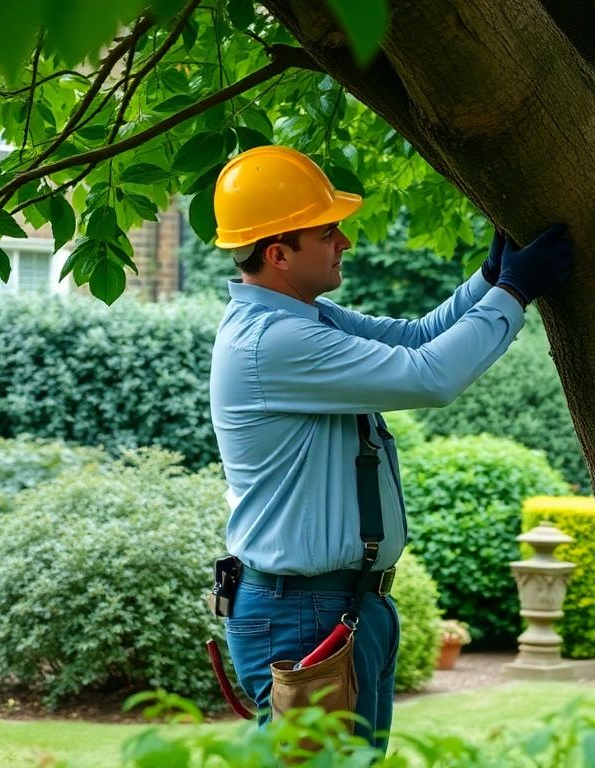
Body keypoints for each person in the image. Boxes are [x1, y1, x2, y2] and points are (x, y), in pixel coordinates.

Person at [207, 145, 572, 746]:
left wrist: (487, 281)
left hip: (338, 605)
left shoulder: (306, 319)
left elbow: (416, 337)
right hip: (305, 612)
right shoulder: (274, 342)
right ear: (278, 254)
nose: (345, 242)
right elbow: (428, 375)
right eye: (328, 233)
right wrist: (515, 292)